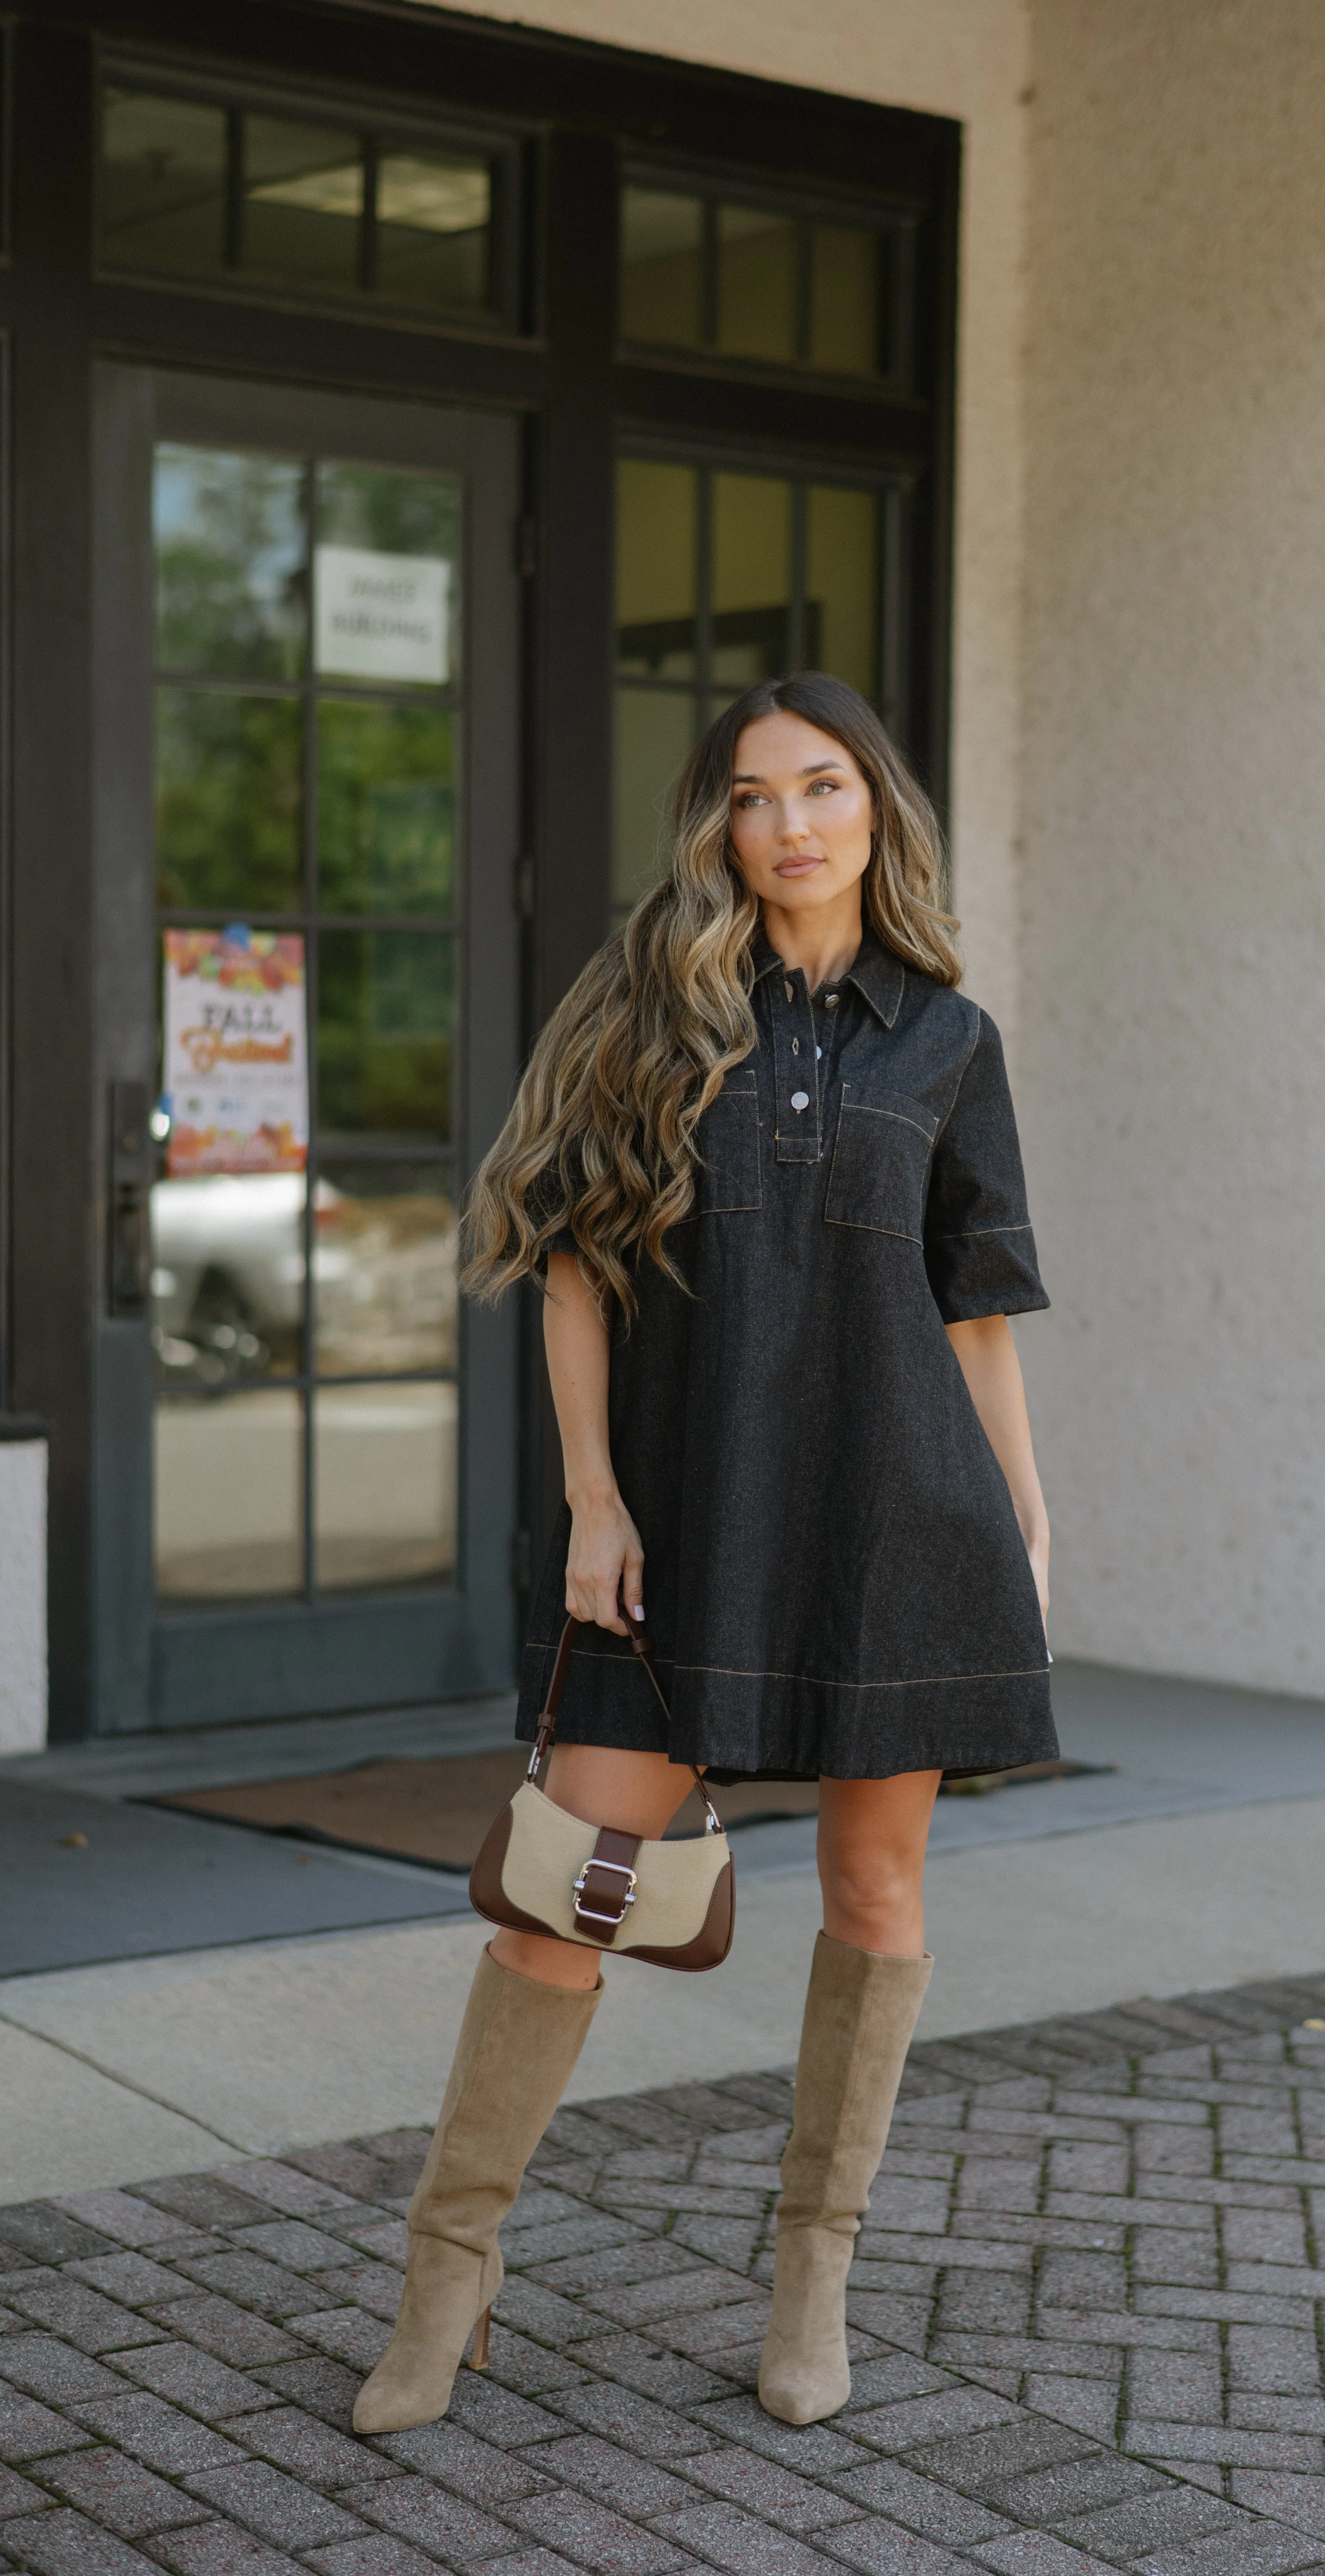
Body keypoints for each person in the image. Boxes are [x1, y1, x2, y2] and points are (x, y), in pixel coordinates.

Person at [351, 670, 1054, 2438]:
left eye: (824, 789)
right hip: (679, 1517)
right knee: (560, 1901)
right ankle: (448, 2285)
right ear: (717, 821)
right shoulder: (650, 996)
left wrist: (1027, 1521)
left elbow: (975, 1310)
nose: (792, 825)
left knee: (879, 1898)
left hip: (902, 1520)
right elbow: (569, 1259)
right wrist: (592, 1494)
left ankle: (812, 2278)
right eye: (754, 796)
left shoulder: (948, 1042)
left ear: (877, 809)